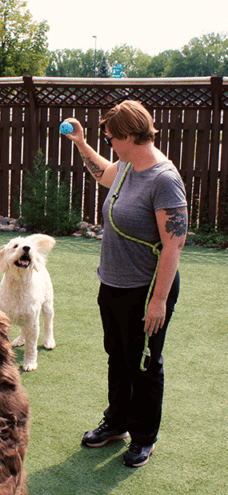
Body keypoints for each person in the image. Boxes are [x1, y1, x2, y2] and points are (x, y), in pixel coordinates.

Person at [64, 100, 188, 467]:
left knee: (145, 366)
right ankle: (116, 423)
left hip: (146, 290)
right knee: (118, 358)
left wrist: (159, 301)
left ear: (132, 136)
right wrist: (81, 143)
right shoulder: (128, 166)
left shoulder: (163, 179)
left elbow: (174, 243)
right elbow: (104, 174)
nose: (110, 145)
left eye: (113, 139)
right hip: (113, 284)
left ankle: (144, 437)